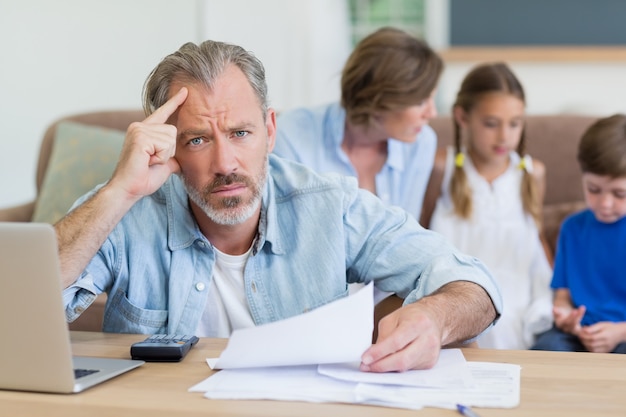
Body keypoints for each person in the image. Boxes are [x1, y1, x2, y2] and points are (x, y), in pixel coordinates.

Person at [55, 39, 502, 372]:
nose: (225, 163)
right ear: (169, 145)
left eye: (241, 133)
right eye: (197, 139)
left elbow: (472, 280)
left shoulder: (329, 205)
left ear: (271, 129)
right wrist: (118, 192)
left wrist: (433, 318)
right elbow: (22, 306)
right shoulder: (130, 208)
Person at [420, 62, 553, 350]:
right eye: (491, 123)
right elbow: (419, 234)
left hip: (518, 300)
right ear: (462, 117)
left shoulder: (532, 173)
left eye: (515, 123)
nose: (505, 136)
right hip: (459, 298)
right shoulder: (443, 168)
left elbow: (537, 240)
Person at [273, 27, 442, 221]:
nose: (432, 113)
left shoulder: (422, 141)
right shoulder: (289, 137)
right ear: (378, 99)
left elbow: (405, 230)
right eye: (420, 102)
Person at [532, 114, 626, 353]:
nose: (605, 203)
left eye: (619, 194)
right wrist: (566, 319)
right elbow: (562, 296)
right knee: (547, 348)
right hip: (580, 332)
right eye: (594, 190)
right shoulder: (572, 228)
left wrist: (618, 332)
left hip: (622, 333)